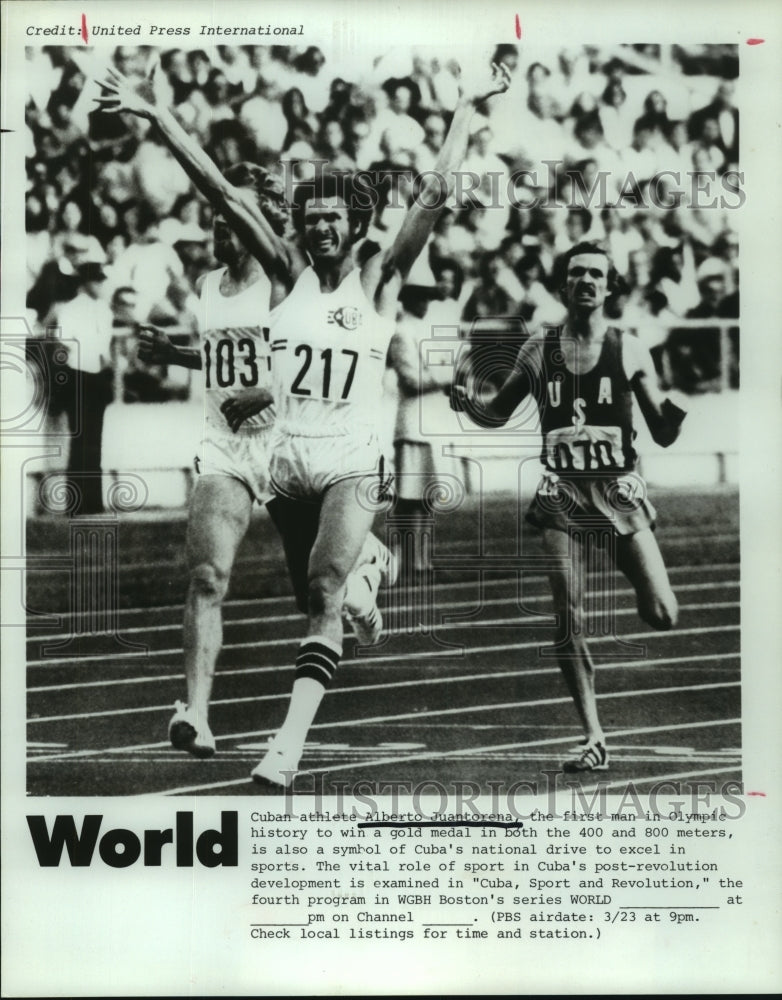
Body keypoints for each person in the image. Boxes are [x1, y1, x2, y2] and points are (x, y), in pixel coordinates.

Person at [94, 54, 511, 787]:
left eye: (334, 219)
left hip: (351, 458)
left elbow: (435, 196)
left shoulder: (378, 279)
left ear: (355, 224)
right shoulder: (283, 273)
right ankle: (367, 572)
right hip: (287, 460)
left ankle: (284, 747)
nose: (321, 228)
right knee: (314, 589)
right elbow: (221, 191)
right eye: (311, 217)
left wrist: (466, 108)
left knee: (318, 595)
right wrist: (158, 115)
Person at [132, 164, 395, 760]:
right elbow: (225, 358)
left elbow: (308, 367)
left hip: (287, 445)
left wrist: (264, 393)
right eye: (216, 225)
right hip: (225, 446)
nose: (223, 233)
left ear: (265, 220)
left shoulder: (288, 280)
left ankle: (369, 556)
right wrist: (176, 352)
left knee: (314, 594)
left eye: (233, 223)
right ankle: (196, 712)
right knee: (206, 575)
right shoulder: (206, 287)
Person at [455, 242, 687, 772]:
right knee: (568, 615)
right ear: (564, 287)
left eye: (595, 275)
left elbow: (662, 432)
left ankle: (640, 597)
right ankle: (593, 736)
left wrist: (674, 416)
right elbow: (498, 413)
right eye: (576, 273)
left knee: (662, 614)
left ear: (610, 287)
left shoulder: (628, 348)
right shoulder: (538, 348)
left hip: (617, 492)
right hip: (561, 493)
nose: (585, 281)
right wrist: (469, 400)